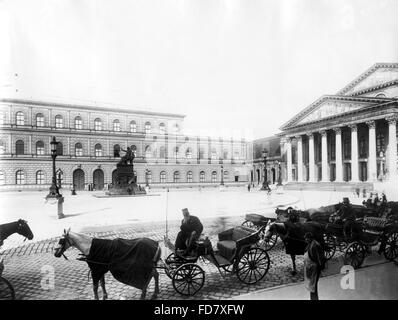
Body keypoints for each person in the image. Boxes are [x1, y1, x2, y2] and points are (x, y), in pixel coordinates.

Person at [303, 232, 326, 300]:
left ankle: (314, 299)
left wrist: (320, 267)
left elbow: (319, 258)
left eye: (306, 238)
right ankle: (313, 298)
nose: (305, 240)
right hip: (311, 267)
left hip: (314, 268)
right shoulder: (311, 244)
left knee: (313, 286)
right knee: (312, 286)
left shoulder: (314, 246)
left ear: (310, 238)